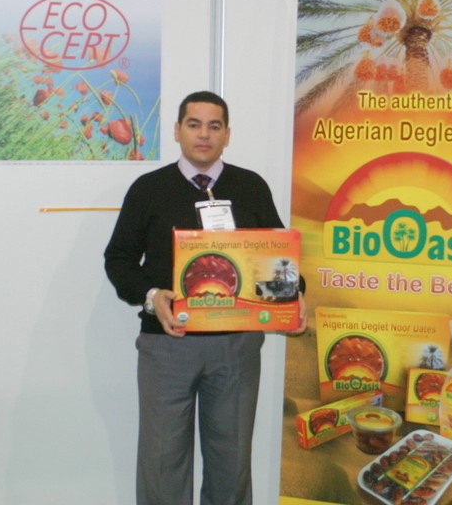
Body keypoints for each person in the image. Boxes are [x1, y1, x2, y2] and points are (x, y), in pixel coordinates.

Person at [104, 91, 307, 505]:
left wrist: (293, 294)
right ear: (177, 130)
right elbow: (119, 259)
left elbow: (276, 257)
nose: (204, 134)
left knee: (231, 464)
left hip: (236, 347)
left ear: (227, 134)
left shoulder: (250, 186)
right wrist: (152, 296)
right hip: (168, 344)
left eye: (214, 126)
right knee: (162, 464)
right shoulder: (149, 188)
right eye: (194, 124)